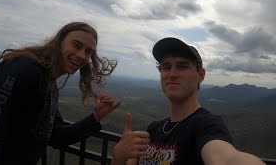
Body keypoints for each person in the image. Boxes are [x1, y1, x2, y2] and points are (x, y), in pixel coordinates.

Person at [0, 22, 121, 165]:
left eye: (88, 52)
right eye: (76, 45)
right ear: (59, 42)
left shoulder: (50, 86)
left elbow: (56, 136)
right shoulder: (24, 69)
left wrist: (96, 117)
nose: (81, 55)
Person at [112, 37, 265, 165]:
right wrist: (119, 155)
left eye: (182, 66)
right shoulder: (153, 129)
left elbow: (226, 157)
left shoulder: (206, 126)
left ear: (200, 75)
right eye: (166, 67)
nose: (172, 74)